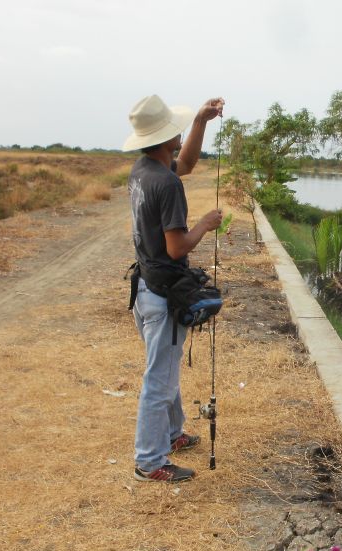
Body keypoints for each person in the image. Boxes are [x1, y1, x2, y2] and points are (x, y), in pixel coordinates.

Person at [122, 94, 224, 482]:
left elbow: (187, 164)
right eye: (177, 129)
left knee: (163, 368)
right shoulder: (166, 184)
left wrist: (201, 120)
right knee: (159, 380)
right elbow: (177, 246)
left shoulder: (144, 169)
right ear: (166, 138)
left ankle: (172, 434)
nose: (179, 133)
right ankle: (150, 461)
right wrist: (204, 224)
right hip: (162, 296)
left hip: (146, 288)